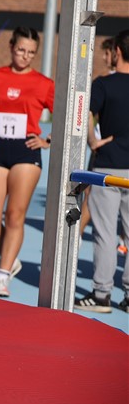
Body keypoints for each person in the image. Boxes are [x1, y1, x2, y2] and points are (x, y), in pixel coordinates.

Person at [0, 27, 54, 297]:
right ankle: (11, 257)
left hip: (26, 150)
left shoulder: (43, 83)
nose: (25, 56)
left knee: (15, 215)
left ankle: (2, 275)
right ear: (11, 47)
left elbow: (64, 115)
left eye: (31, 53)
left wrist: (47, 140)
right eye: (21, 50)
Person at [75, 29, 129, 313]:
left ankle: (101, 294)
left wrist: (92, 141)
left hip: (108, 165)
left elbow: (84, 112)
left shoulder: (104, 84)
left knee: (106, 232)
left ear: (116, 52)